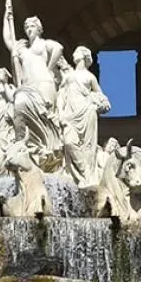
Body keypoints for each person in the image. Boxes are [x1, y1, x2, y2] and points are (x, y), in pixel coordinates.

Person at [2, 0, 64, 171]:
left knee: (46, 116)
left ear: (39, 29)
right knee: (20, 106)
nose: (29, 28)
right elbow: (8, 40)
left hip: (44, 82)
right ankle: (30, 149)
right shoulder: (23, 50)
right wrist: (6, 18)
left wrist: (50, 68)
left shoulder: (43, 44)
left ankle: (50, 154)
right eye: (26, 26)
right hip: (27, 87)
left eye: (32, 26)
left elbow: (59, 48)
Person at [57, 46, 111, 188]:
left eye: (76, 52)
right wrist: (61, 113)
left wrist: (95, 105)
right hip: (70, 115)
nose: (73, 54)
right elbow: (61, 96)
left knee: (88, 148)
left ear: (84, 56)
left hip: (87, 114)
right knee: (69, 142)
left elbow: (104, 99)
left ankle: (87, 178)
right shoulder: (68, 76)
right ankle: (84, 173)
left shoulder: (90, 77)